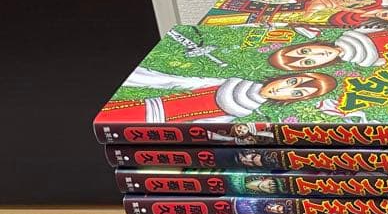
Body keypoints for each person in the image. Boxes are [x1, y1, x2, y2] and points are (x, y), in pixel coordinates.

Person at [96, 68, 337, 124]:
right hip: (144, 108)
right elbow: (174, 81)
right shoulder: (228, 82)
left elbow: (205, 126)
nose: (282, 90)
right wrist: (138, 76)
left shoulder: (244, 112)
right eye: (291, 82)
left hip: (163, 124)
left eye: (295, 93)